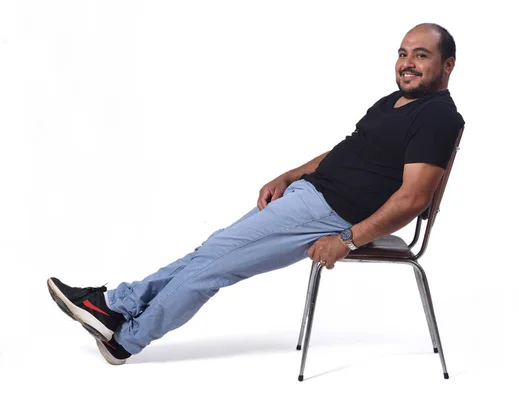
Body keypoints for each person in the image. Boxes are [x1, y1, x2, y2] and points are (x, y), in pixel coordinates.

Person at [47, 22, 465, 365]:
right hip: (309, 197)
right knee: (212, 251)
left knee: (215, 265)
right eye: (402, 53)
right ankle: (117, 305)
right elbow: (346, 150)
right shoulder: (393, 102)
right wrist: (288, 176)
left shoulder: (437, 118)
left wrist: (346, 239)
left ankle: (127, 338)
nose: (407, 63)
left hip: (330, 214)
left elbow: (413, 199)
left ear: (447, 64)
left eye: (421, 55)